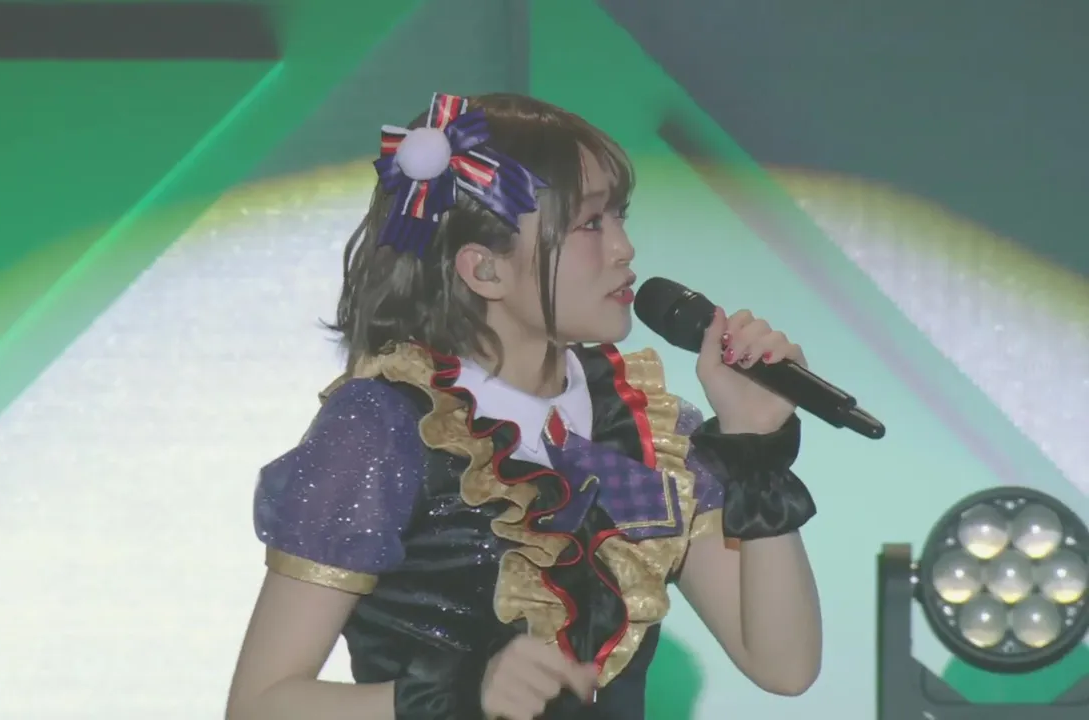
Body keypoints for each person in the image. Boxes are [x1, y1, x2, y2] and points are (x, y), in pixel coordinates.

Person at [226, 92, 823, 720]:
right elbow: (260, 705)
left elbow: (784, 666)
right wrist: (459, 695)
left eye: (619, 216)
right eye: (590, 223)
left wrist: (755, 444)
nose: (624, 248)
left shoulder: (641, 428)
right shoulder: (388, 425)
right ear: (484, 270)